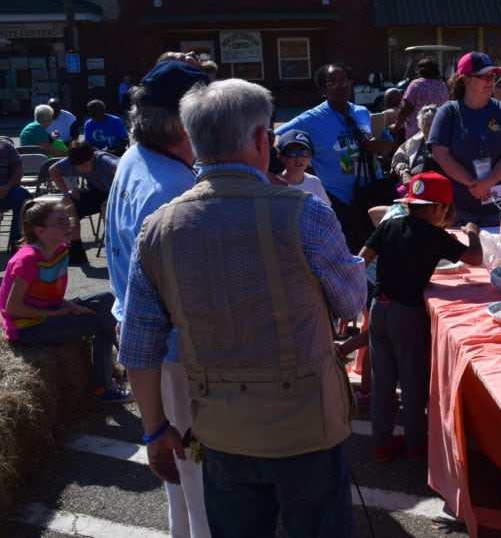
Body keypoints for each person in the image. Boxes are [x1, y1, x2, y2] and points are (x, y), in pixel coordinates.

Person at [120, 78, 367, 536]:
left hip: (221, 429)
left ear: (195, 140)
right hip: (307, 426)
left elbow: (137, 345)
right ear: (261, 140)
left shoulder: (158, 228)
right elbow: (352, 300)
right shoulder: (303, 210)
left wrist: (155, 430)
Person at [106, 58, 211, 538]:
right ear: (179, 122)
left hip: (155, 347)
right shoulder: (172, 188)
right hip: (174, 354)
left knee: (182, 473)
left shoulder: (138, 157)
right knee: (200, 473)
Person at [360, 172, 481, 463]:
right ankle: (415, 445)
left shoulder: (389, 225)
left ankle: (381, 443)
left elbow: (360, 258)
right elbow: (475, 259)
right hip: (408, 313)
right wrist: (473, 232)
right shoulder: (435, 236)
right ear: (439, 209)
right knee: (413, 383)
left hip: (379, 307)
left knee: (383, 381)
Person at [0, 198, 130, 403]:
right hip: (27, 327)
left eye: (67, 220)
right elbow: (13, 307)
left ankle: (129, 360)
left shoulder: (61, 250)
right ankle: (104, 386)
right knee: (101, 323)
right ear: (40, 231)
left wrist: (74, 308)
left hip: (48, 311)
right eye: (60, 223)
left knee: (107, 301)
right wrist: (58, 313)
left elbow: (52, 296)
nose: (68, 225)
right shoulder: (27, 260)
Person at [276, 62, 393, 252]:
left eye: (344, 80)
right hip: (341, 201)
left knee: (382, 250)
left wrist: (381, 146)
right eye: (332, 82)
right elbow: (274, 139)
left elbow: (388, 143)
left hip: (373, 193)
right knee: (353, 252)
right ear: (322, 88)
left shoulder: (362, 112)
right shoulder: (310, 120)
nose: (340, 86)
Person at [427, 52, 501, 226]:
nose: (490, 81)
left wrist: (489, 182)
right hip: (459, 209)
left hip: (499, 207)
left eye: (492, 76)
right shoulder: (449, 112)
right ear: (466, 79)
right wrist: (473, 184)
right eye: (483, 76)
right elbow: (440, 153)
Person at [48, 140, 118, 266]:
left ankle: (115, 251)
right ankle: (77, 251)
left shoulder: (103, 159)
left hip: (119, 194)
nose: (82, 170)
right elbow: (53, 170)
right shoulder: (73, 160)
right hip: (98, 192)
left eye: (85, 166)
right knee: (67, 204)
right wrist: (67, 191)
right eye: (78, 168)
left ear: (92, 157)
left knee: (106, 208)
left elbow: (123, 170)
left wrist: (114, 197)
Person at [389, 57, 451, 141]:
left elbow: (405, 110)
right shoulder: (442, 86)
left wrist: (396, 127)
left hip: (418, 135)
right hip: (438, 133)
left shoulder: (416, 85)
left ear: (420, 70)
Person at [392, 104, 441, 194]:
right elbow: (398, 159)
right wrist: (404, 173)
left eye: (434, 124)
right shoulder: (414, 142)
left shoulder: (447, 142)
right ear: (420, 126)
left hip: (438, 187)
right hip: (414, 185)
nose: (431, 128)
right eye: (427, 125)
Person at [276, 129, 329, 203]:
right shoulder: (273, 184)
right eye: (292, 153)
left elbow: (326, 211)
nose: (299, 158)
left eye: (305, 153)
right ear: (281, 157)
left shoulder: (314, 182)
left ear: (310, 157)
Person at [0, 136, 31, 252]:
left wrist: (7, 187)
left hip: (5, 192)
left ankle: (17, 243)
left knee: (23, 196)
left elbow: (19, 170)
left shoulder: (6, 146)